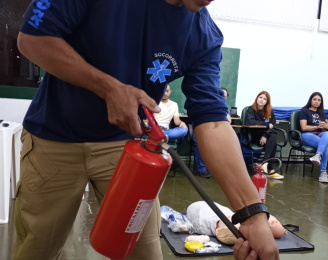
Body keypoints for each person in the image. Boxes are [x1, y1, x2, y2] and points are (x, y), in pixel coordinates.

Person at [15, 1, 279, 260]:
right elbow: (32, 39)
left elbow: (212, 122)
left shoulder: (202, 33)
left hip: (128, 149)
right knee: (37, 248)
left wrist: (253, 215)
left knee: (143, 252)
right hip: (53, 140)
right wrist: (109, 88)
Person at [187, 201, 286, 245]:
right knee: (222, 217)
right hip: (202, 210)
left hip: (209, 211)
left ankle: (227, 224)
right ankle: (224, 224)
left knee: (225, 216)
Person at [193, 87, 231, 178]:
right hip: (202, 131)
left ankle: (220, 168)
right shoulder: (205, 104)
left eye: (224, 97)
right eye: (220, 95)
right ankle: (201, 169)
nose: (221, 98)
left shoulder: (224, 109)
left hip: (216, 133)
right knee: (202, 141)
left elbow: (228, 121)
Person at [245, 91, 284, 180]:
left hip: (266, 136)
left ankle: (265, 165)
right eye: (260, 97)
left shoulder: (270, 111)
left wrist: (265, 135)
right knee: (273, 138)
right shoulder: (250, 110)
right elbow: (251, 123)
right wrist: (266, 125)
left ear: (267, 102)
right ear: (257, 98)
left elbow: (274, 126)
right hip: (254, 136)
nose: (262, 100)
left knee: (273, 136)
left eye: (265, 99)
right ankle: (269, 169)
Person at [299, 92, 328, 183]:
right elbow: (304, 127)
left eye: (319, 100)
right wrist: (317, 127)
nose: (316, 101)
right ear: (311, 100)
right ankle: (323, 172)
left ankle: (317, 156)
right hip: (307, 135)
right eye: (315, 99)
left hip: (319, 134)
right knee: (325, 145)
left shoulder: (321, 112)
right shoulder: (304, 111)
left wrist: (326, 124)